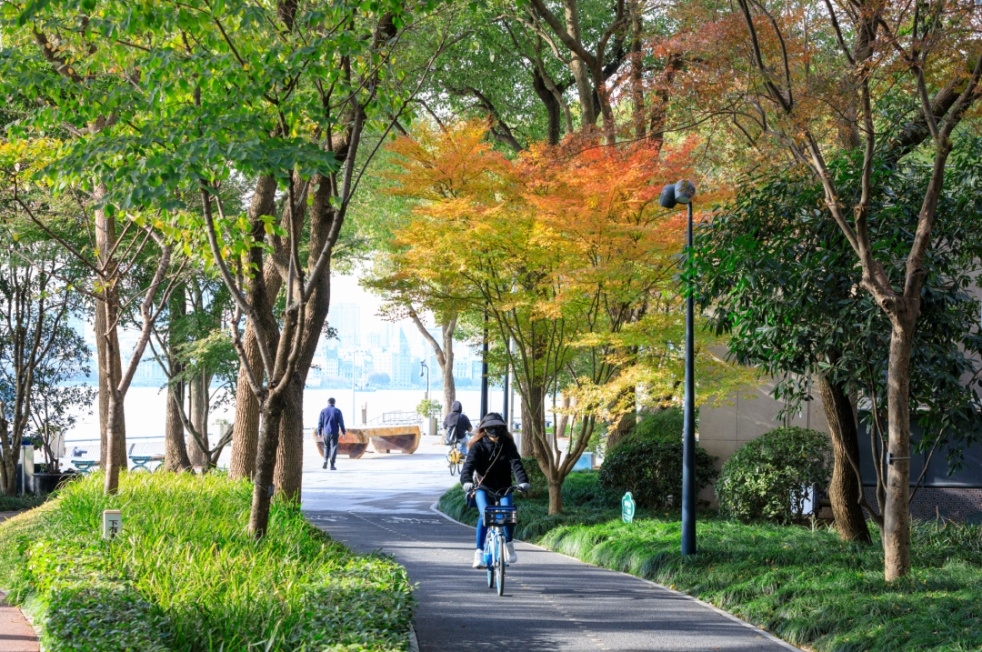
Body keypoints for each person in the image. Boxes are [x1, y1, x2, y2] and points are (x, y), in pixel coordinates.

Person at [461, 412, 530, 568]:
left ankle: (509, 544)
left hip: (504, 487)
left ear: (502, 428)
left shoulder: (508, 444)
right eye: (490, 427)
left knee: (508, 513)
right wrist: (466, 482)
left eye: (497, 427)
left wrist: (523, 482)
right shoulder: (477, 446)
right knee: (485, 513)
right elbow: (468, 467)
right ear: (484, 429)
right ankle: (478, 553)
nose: (494, 430)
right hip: (482, 488)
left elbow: (516, 465)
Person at [317, 397, 346, 470]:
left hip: (326, 432)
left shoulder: (323, 411)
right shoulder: (337, 411)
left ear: (327, 403)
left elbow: (320, 423)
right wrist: (343, 431)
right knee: (333, 448)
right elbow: (341, 422)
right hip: (334, 432)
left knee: (326, 447)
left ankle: (325, 461)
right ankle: (332, 465)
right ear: (334, 403)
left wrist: (319, 432)